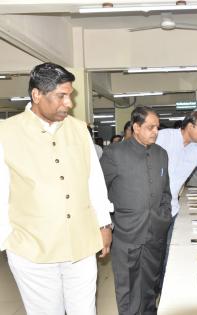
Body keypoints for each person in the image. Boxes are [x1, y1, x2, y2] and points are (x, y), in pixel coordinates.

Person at [0, 62, 113, 315]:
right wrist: (7, 242)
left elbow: (94, 181)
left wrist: (104, 225)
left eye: (70, 95)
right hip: (32, 249)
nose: (69, 103)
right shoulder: (5, 133)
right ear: (37, 95)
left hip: (81, 245)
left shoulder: (80, 131)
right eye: (61, 96)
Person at [100, 107, 171, 315]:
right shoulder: (114, 153)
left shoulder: (161, 154)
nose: (155, 131)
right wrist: (108, 223)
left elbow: (166, 190)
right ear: (136, 127)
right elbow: (98, 191)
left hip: (155, 232)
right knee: (128, 290)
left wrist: (163, 217)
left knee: (150, 286)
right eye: (150, 127)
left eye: (157, 127)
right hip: (126, 234)